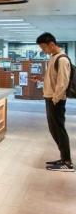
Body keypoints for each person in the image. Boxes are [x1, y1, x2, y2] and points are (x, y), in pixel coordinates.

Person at [36, 32, 73, 172]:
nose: (42, 50)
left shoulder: (62, 59)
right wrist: (40, 81)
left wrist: (55, 99)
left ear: (51, 44)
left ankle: (67, 162)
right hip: (50, 98)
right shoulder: (53, 58)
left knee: (59, 129)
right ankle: (64, 157)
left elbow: (62, 82)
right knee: (54, 129)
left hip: (55, 100)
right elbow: (52, 79)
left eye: (43, 47)